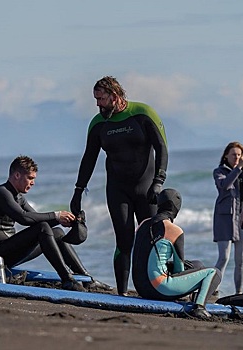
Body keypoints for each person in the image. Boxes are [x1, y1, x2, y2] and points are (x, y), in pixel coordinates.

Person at [70, 76, 168, 295]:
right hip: (118, 189)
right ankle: (122, 292)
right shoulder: (98, 123)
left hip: (146, 188)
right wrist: (78, 191)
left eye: (101, 99)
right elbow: (89, 158)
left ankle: (158, 289)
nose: (97, 104)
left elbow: (162, 148)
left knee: (154, 240)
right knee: (124, 241)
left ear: (115, 97)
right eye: (96, 99)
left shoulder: (143, 114)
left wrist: (158, 182)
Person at [0, 155, 106, 292]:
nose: (33, 183)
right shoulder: (0, 193)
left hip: (8, 251)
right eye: (30, 178)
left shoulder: (18, 197)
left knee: (57, 232)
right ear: (16, 175)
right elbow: (24, 218)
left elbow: (35, 219)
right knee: (43, 228)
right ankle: (67, 279)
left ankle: (86, 277)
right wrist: (56, 216)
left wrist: (64, 220)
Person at [132, 188, 221, 319]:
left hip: (140, 287)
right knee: (214, 273)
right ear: (176, 208)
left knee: (197, 265)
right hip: (158, 288)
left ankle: (196, 297)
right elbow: (179, 269)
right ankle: (199, 307)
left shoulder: (143, 224)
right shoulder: (174, 230)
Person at [213, 141, 243, 295]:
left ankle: (239, 293)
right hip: (225, 219)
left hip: (242, 219)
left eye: (239, 155)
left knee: (241, 260)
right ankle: (213, 289)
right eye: (233, 155)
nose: (236, 157)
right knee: (224, 258)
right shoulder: (219, 171)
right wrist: (239, 167)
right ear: (226, 156)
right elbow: (225, 186)